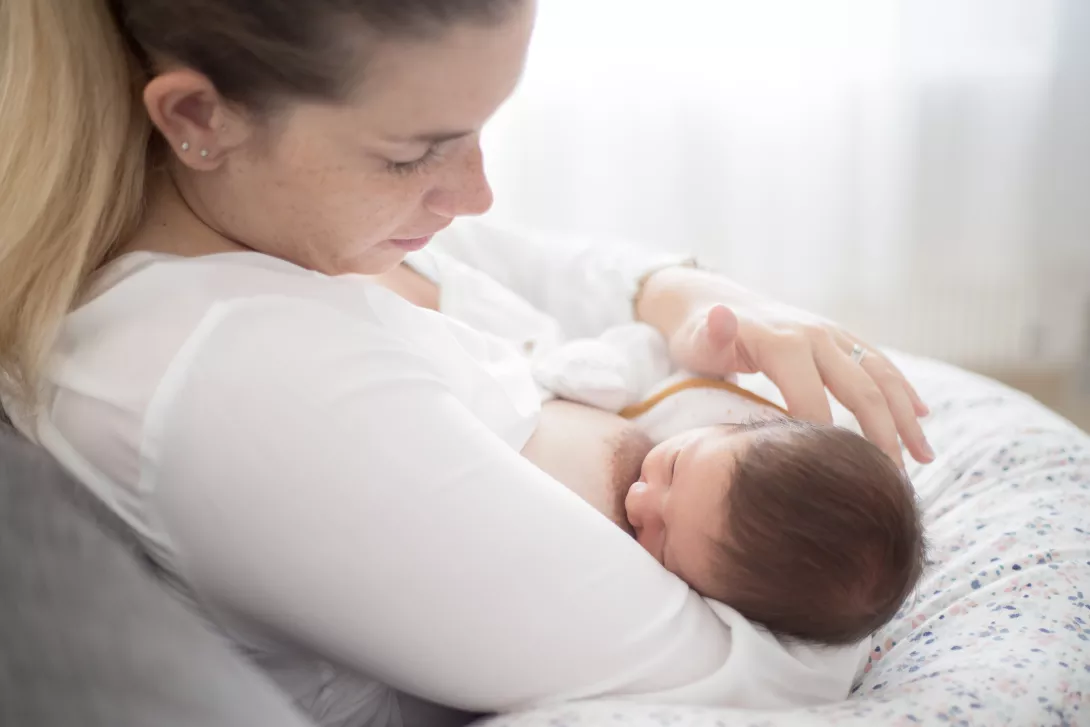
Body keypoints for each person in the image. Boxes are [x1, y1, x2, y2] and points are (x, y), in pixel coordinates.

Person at [0, 1, 936, 724]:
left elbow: (558, 269)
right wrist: (833, 549)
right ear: (200, 115)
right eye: (418, 153)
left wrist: (695, 301)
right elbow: (756, 672)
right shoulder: (232, 380)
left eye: (483, 128)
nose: (478, 193)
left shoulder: (279, 223)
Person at [389, 250, 926, 647]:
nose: (641, 501)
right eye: (671, 467)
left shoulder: (738, 574)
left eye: (662, 539)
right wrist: (605, 369)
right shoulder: (716, 403)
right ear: (740, 423)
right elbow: (643, 349)